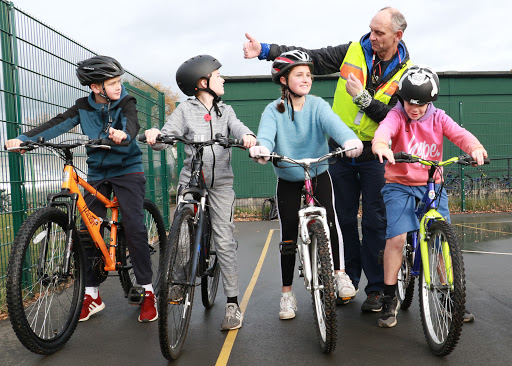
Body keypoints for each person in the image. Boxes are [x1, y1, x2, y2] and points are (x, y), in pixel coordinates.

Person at [243, 7, 412, 312]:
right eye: (371, 30)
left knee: (375, 220)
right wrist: (265, 50)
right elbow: (309, 58)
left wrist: (363, 99)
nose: (371, 37)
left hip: (374, 151)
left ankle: (375, 289)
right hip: (339, 151)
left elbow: (395, 117)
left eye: (379, 33)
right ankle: (344, 279)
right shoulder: (352, 51)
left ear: (397, 36)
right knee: (342, 218)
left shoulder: (405, 72)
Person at [5, 56, 158, 323]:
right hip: (98, 172)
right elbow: (58, 123)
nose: (118, 86)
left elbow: (132, 124)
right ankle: (91, 295)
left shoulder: (126, 102)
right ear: (95, 87)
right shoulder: (82, 107)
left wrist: (125, 135)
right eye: (112, 83)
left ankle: (147, 291)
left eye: (119, 81)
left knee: (133, 224)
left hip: (127, 169)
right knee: (88, 230)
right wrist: (24, 139)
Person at [144, 55, 257, 331]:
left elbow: (238, 128)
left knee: (224, 239)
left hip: (220, 185)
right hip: (192, 181)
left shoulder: (226, 111)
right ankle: (181, 278)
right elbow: (166, 136)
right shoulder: (185, 110)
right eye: (219, 75)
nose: (224, 79)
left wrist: (248, 137)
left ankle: (232, 303)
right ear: (203, 82)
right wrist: (155, 134)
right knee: (181, 234)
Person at [248, 50, 363, 319]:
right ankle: (287, 294)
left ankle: (339, 275)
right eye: (299, 74)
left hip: (318, 173)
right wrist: (262, 149)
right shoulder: (273, 111)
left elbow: (336, 126)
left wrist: (349, 141)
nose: (306, 79)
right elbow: (265, 136)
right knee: (287, 234)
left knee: (331, 220)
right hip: (288, 177)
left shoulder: (318, 106)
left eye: (309, 74)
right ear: (283, 80)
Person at [372, 65, 486, 327]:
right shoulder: (396, 115)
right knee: (397, 237)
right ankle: (390, 298)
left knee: (440, 240)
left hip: (431, 184)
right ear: (401, 99)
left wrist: (476, 147)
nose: (414, 108)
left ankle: (447, 295)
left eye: (421, 103)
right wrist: (381, 146)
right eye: (409, 102)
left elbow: (460, 134)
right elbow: (383, 132)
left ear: (430, 102)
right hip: (399, 184)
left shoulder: (439, 118)